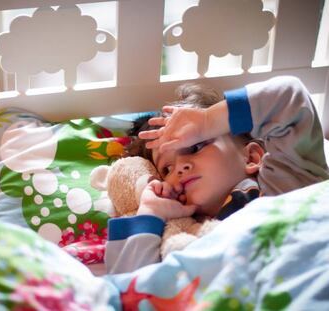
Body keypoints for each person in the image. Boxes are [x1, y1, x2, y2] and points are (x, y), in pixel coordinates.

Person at [105, 76, 329, 274]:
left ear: (251, 157)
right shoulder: (176, 232)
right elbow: (129, 283)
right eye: (167, 169)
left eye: (195, 147)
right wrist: (151, 212)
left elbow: (289, 98)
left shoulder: (283, 181)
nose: (180, 166)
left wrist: (208, 121)